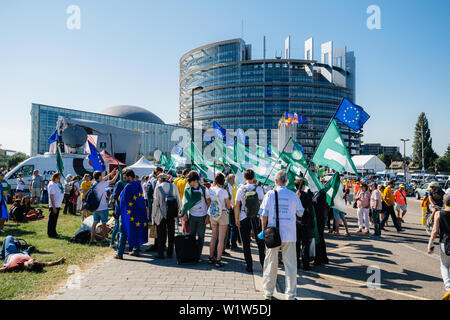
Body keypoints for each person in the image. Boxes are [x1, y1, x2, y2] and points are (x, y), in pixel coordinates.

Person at [261, 170, 304, 300]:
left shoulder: (269, 194)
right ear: (286, 181)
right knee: (290, 265)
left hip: (273, 234)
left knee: (270, 263)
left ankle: (268, 293)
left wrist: (264, 231)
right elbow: (300, 214)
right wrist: (297, 197)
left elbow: (263, 215)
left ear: (275, 181)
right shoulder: (293, 195)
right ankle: (290, 295)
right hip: (289, 234)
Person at [234, 169, 265, 273]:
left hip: (244, 217)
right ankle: (263, 263)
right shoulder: (259, 188)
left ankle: (249, 265)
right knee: (260, 241)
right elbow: (262, 204)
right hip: (256, 218)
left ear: (244, 178)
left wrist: (236, 219)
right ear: (254, 177)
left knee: (246, 243)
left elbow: (237, 205)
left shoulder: (240, 189)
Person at [181, 171, 211, 261]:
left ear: (195, 181)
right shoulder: (188, 190)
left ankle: (198, 255)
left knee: (201, 237)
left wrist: (208, 216)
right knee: (191, 236)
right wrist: (185, 214)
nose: (188, 183)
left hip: (202, 216)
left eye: (189, 181)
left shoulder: (204, 189)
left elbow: (209, 202)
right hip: (192, 216)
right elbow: (184, 203)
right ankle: (192, 254)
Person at [152, 173, 181, 259]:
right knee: (171, 233)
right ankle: (170, 252)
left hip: (161, 214)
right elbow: (178, 200)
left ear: (159, 179)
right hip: (172, 214)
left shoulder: (158, 188)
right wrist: (178, 212)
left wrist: (153, 216)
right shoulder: (173, 186)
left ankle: (161, 253)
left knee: (161, 234)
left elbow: (155, 204)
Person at [427, 193, 450, 300]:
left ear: (444, 202)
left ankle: (448, 287)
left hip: (444, 243)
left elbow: (435, 231)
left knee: (444, 265)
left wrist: (430, 245)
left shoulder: (439, 214)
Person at [0, 236, 66, 273]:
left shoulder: (15, 266)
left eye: (33, 260)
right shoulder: (36, 264)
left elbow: (3, 269)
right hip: (24, 254)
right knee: (27, 252)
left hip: (12, 253)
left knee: (9, 238)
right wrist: (58, 261)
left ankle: (1, 255)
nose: (34, 258)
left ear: (29, 266)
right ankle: (28, 250)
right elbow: (48, 263)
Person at [207, 173, 232, 268]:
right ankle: (218, 260)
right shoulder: (224, 191)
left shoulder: (210, 189)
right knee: (221, 239)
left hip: (213, 214)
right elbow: (228, 205)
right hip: (223, 214)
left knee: (213, 237)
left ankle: (210, 257)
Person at [89, 169, 119, 245]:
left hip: (96, 208)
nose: (102, 177)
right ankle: (103, 239)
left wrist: (109, 174)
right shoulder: (102, 184)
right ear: (99, 177)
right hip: (103, 208)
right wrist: (117, 174)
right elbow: (112, 181)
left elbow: (103, 179)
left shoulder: (94, 183)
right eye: (101, 175)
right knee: (104, 224)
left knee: (94, 223)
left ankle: (92, 240)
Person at [295, 178, 315, 270]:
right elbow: (310, 210)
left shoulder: (293, 196)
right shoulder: (306, 196)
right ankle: (305, 264)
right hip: (305, 222)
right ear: (303, 186)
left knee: (297, 243)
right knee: (305, 244)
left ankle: (297, 263)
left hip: (295, 222)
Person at [226, 173, 240, 251]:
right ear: (230, 179)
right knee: (232, 227)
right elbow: (228, 198)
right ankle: (232, 245)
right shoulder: (227, 187)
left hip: (233, 207)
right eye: (233, 179)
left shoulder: (233, 186)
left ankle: (229, 244)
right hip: (230, 208)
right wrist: (232, 205)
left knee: (231, 227)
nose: (234, 181)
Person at [47, 173, 64, 238]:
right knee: (52, 220)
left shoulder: (56, 184)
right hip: (54, 205)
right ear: (55, 177)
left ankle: (54, 232)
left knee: (54, 220)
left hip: (57, 205)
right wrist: (53, 207)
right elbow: (51, 196)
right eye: (58, 178)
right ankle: (51, 234)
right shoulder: (52, 184)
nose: (59, 179)